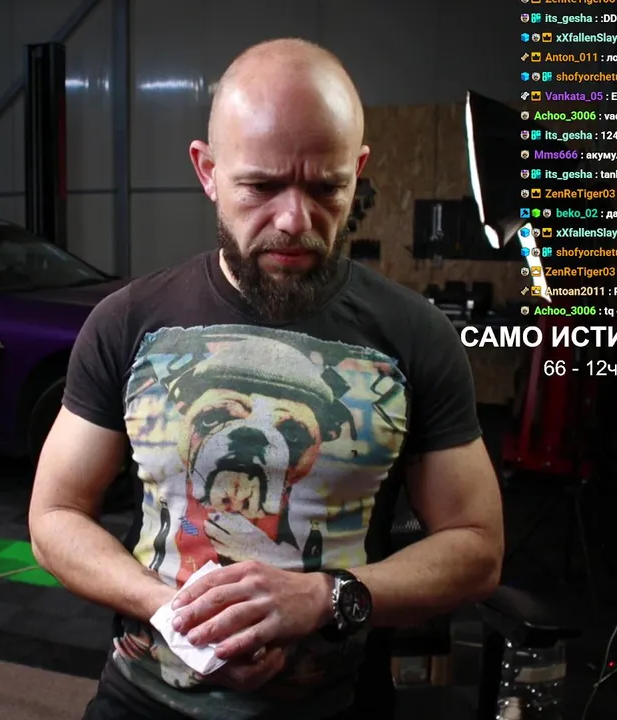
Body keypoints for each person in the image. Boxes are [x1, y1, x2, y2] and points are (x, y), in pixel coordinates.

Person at [28, 37, 504, 720]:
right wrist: (171, 612)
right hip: (144, 703)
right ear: (208, 171)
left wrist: (326, 598)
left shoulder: (415, 336)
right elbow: (54, 516)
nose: (293, 220)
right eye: (261, 186)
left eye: (326, 188)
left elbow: (478, 547)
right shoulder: (128, 322)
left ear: (358, 171)